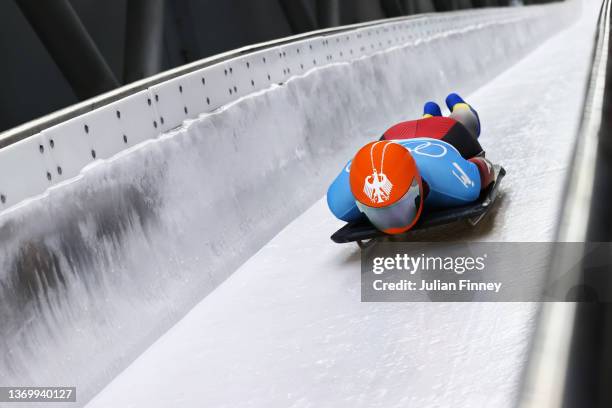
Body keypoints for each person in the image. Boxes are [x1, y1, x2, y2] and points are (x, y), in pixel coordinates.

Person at [327, 93, 496, 234]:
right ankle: (428, 116)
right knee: (432, 122)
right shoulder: (339, 200)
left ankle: (457, 106)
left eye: (401, 205)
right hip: (395, 135)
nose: (392, 220)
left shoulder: (455, 183)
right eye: (377, 212)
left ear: (418, 183)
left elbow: (483, 165)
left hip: (444, 133)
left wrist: (475, 167)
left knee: (466, 121)